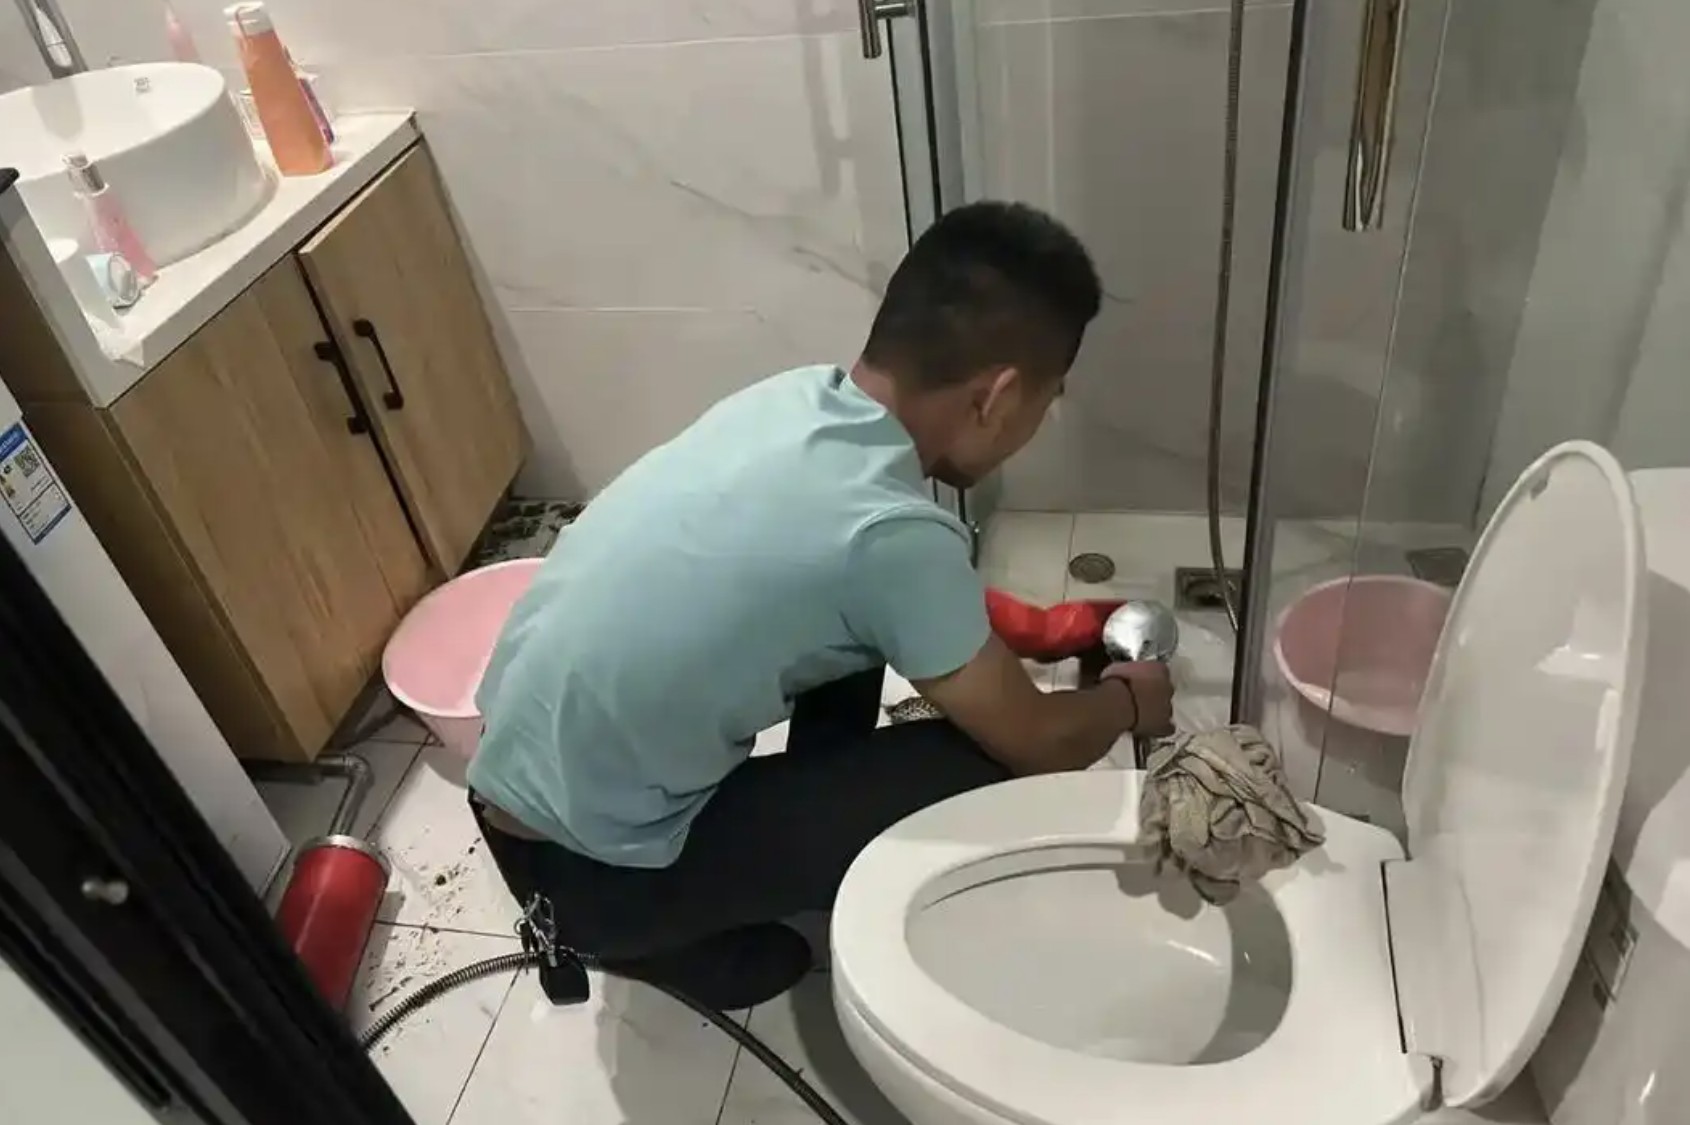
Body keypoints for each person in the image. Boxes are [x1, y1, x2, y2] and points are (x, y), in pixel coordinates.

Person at [467, 202, 1175, 1010]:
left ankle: (793, 843)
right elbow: (1043, 741)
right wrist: (1129, 700)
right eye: (1048, 402)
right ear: (998, 395)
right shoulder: (889, 536)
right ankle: (651, 937)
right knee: (982, 765)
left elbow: (870, 585)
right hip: (587, 878)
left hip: (513, 788)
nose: (1037, 425)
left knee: (855, 639)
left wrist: (1032, 629)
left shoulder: (796, 404)